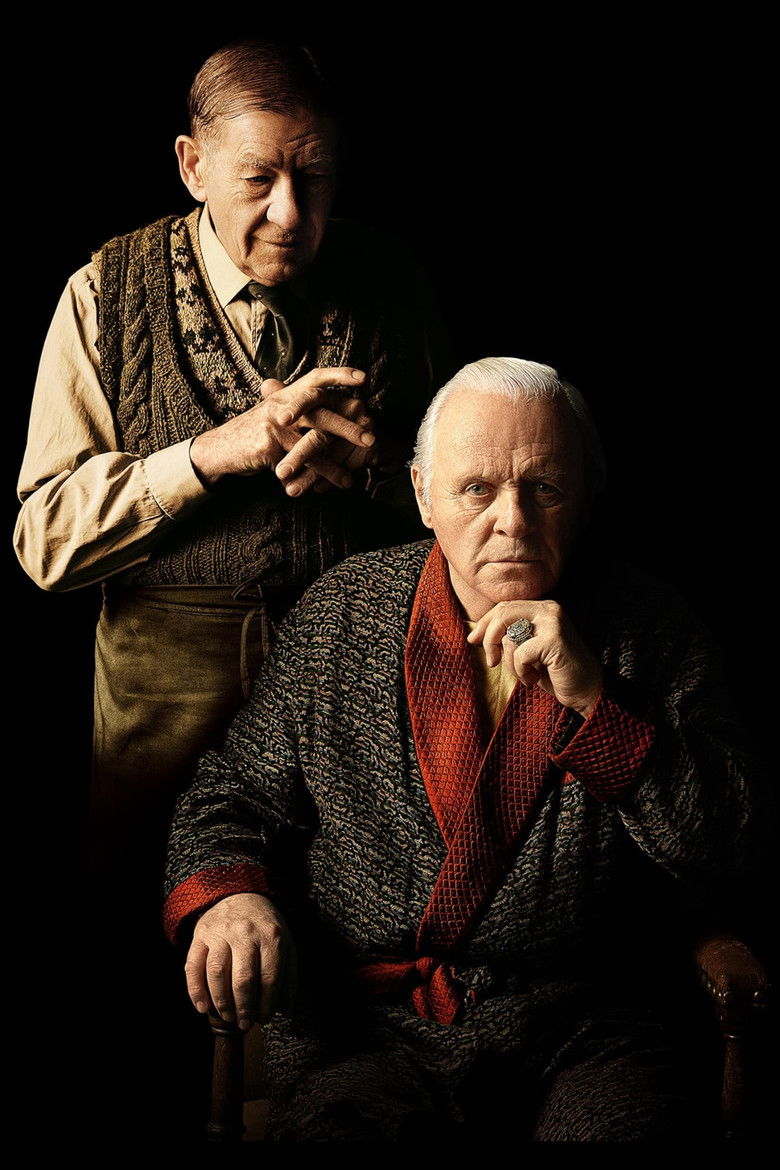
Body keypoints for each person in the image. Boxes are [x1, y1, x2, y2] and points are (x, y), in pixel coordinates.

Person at [164, 357, 767, 1142]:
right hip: (366, 1025)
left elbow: (733, 845)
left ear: (587, 494)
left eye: (544, 488)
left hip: (583, 1028)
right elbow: (228, 798)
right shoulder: (342, 616)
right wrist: (231, 898)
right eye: (477, 489)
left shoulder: (652, 627)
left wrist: (597, 703)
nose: (513, 520)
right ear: (423, 494)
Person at [13, 40, 448, 873]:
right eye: (258, 179)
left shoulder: (396, 285)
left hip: (352, 717)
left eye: (314, 178)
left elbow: (472, 511)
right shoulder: (104, 293)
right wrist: (212, 454)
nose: (288, 212)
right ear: (193, 166)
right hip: (161, 733)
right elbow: (45, 541)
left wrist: (380, 468)